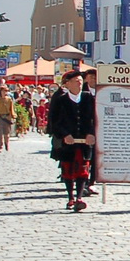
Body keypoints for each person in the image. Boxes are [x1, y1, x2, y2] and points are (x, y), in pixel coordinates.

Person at [48, 69, 96, 211]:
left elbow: (94, 119)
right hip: (67, 143)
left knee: (83, 170)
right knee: (68, 170)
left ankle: (79, 197)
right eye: (76, 82)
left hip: (84, 142)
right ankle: (70, 197)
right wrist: (64, 135)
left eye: (81, 81)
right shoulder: (60, 100)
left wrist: (91, 133)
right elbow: (54, 122)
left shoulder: (88, 98)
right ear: (67, 84)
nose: (79, 84)